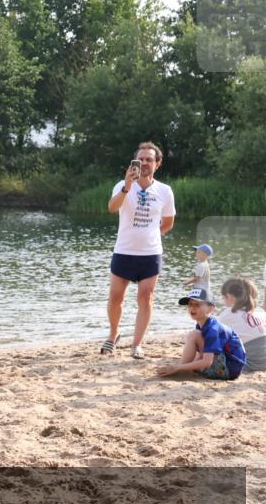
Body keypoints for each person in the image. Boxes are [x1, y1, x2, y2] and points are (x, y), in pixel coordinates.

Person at [102, 142, 175, 360]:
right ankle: (113, 334)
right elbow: (112, 208)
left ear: (157, 164)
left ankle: (137, 345)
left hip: (150, 254)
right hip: (123, 251)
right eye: (140, 159)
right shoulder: (122, 185)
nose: (144, 163)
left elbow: (168, 222)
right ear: (134, 162)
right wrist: (127, 186)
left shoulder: (164, 191)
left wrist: (151, 236)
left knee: (146, 298)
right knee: (115, 298)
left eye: (149, 159)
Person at [156, 288, 246, 380]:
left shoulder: (213, 329)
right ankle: (183, 369)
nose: (192, 308)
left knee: (194, 335)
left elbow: (207, 362)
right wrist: (188, 366)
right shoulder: (203, 325)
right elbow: (202, 354)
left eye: (197, 305)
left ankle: (182, 370)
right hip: (225, 364)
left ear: (211, 308)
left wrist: (179, 367)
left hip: (229, 369)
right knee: (195, 336)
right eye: (190, 304)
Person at [218, 277, 266, 372]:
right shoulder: (260, 311)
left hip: (250, 364)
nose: (223, 300)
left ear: (230, 297)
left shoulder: (229, 313)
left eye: (224, 297)